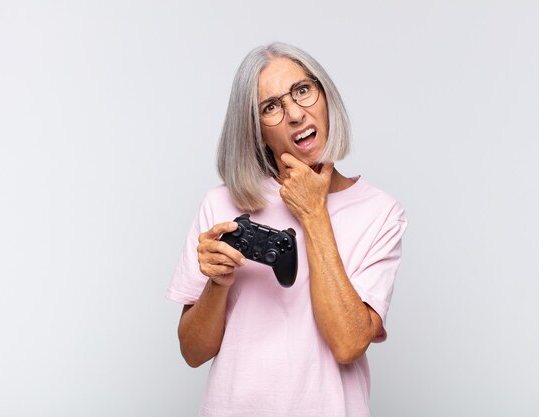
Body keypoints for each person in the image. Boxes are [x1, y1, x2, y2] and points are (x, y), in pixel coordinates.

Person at [167, 42, 408, 417]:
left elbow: (348, 344)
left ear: (324, 96)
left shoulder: (380, 213)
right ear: (257, 131)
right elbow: (193, 353)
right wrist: (218, 284)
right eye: (271, 107)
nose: (295, 113)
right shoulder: (221, 205)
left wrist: (314, 214)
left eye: (302, 91)